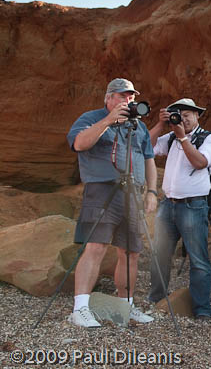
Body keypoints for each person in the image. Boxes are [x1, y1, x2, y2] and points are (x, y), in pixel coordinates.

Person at [66, 78, 157, 328]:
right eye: (121, 96)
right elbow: (79, 143)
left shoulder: (138, 126)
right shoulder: (90, 118)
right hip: (102, 189)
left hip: (133, 194)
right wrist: (108, 121)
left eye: (130, 97)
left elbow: (149, 159)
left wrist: (152, 192)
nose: (127, 101)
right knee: (96, 246)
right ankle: (80, 309)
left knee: (131, 251)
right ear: (108, 98)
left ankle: (125, 307)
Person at [147, 98, 211, 319]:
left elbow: (200, 162)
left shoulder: (209, 139)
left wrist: (182, 137)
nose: (184, 118)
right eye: (179, 114)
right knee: (159, 254)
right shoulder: (170, 137)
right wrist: (161, 125)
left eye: (188, 114)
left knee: (198, 259)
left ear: (198, 116)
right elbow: (145, 147)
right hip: (167, 204)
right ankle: (156, 299)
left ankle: (202, 310)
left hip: (193, 205)